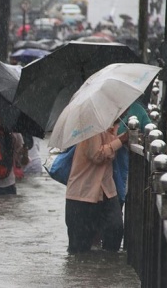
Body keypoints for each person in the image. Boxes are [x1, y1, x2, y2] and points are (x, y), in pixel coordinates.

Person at [65, 119, 128, 254]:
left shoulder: (107, 127)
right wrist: (120, 141)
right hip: (83, 194)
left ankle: (106, 271)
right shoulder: (91, 125)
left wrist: (117, 136)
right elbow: (97, 155)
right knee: (79, 249)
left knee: (115, 230)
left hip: (106, 191)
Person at [113, 101, 151, 207]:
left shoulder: (138, 110)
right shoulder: (107, 111)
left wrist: (138, 137)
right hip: (109, 165)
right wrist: (120, 139)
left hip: (130, 165)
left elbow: (149, 133)